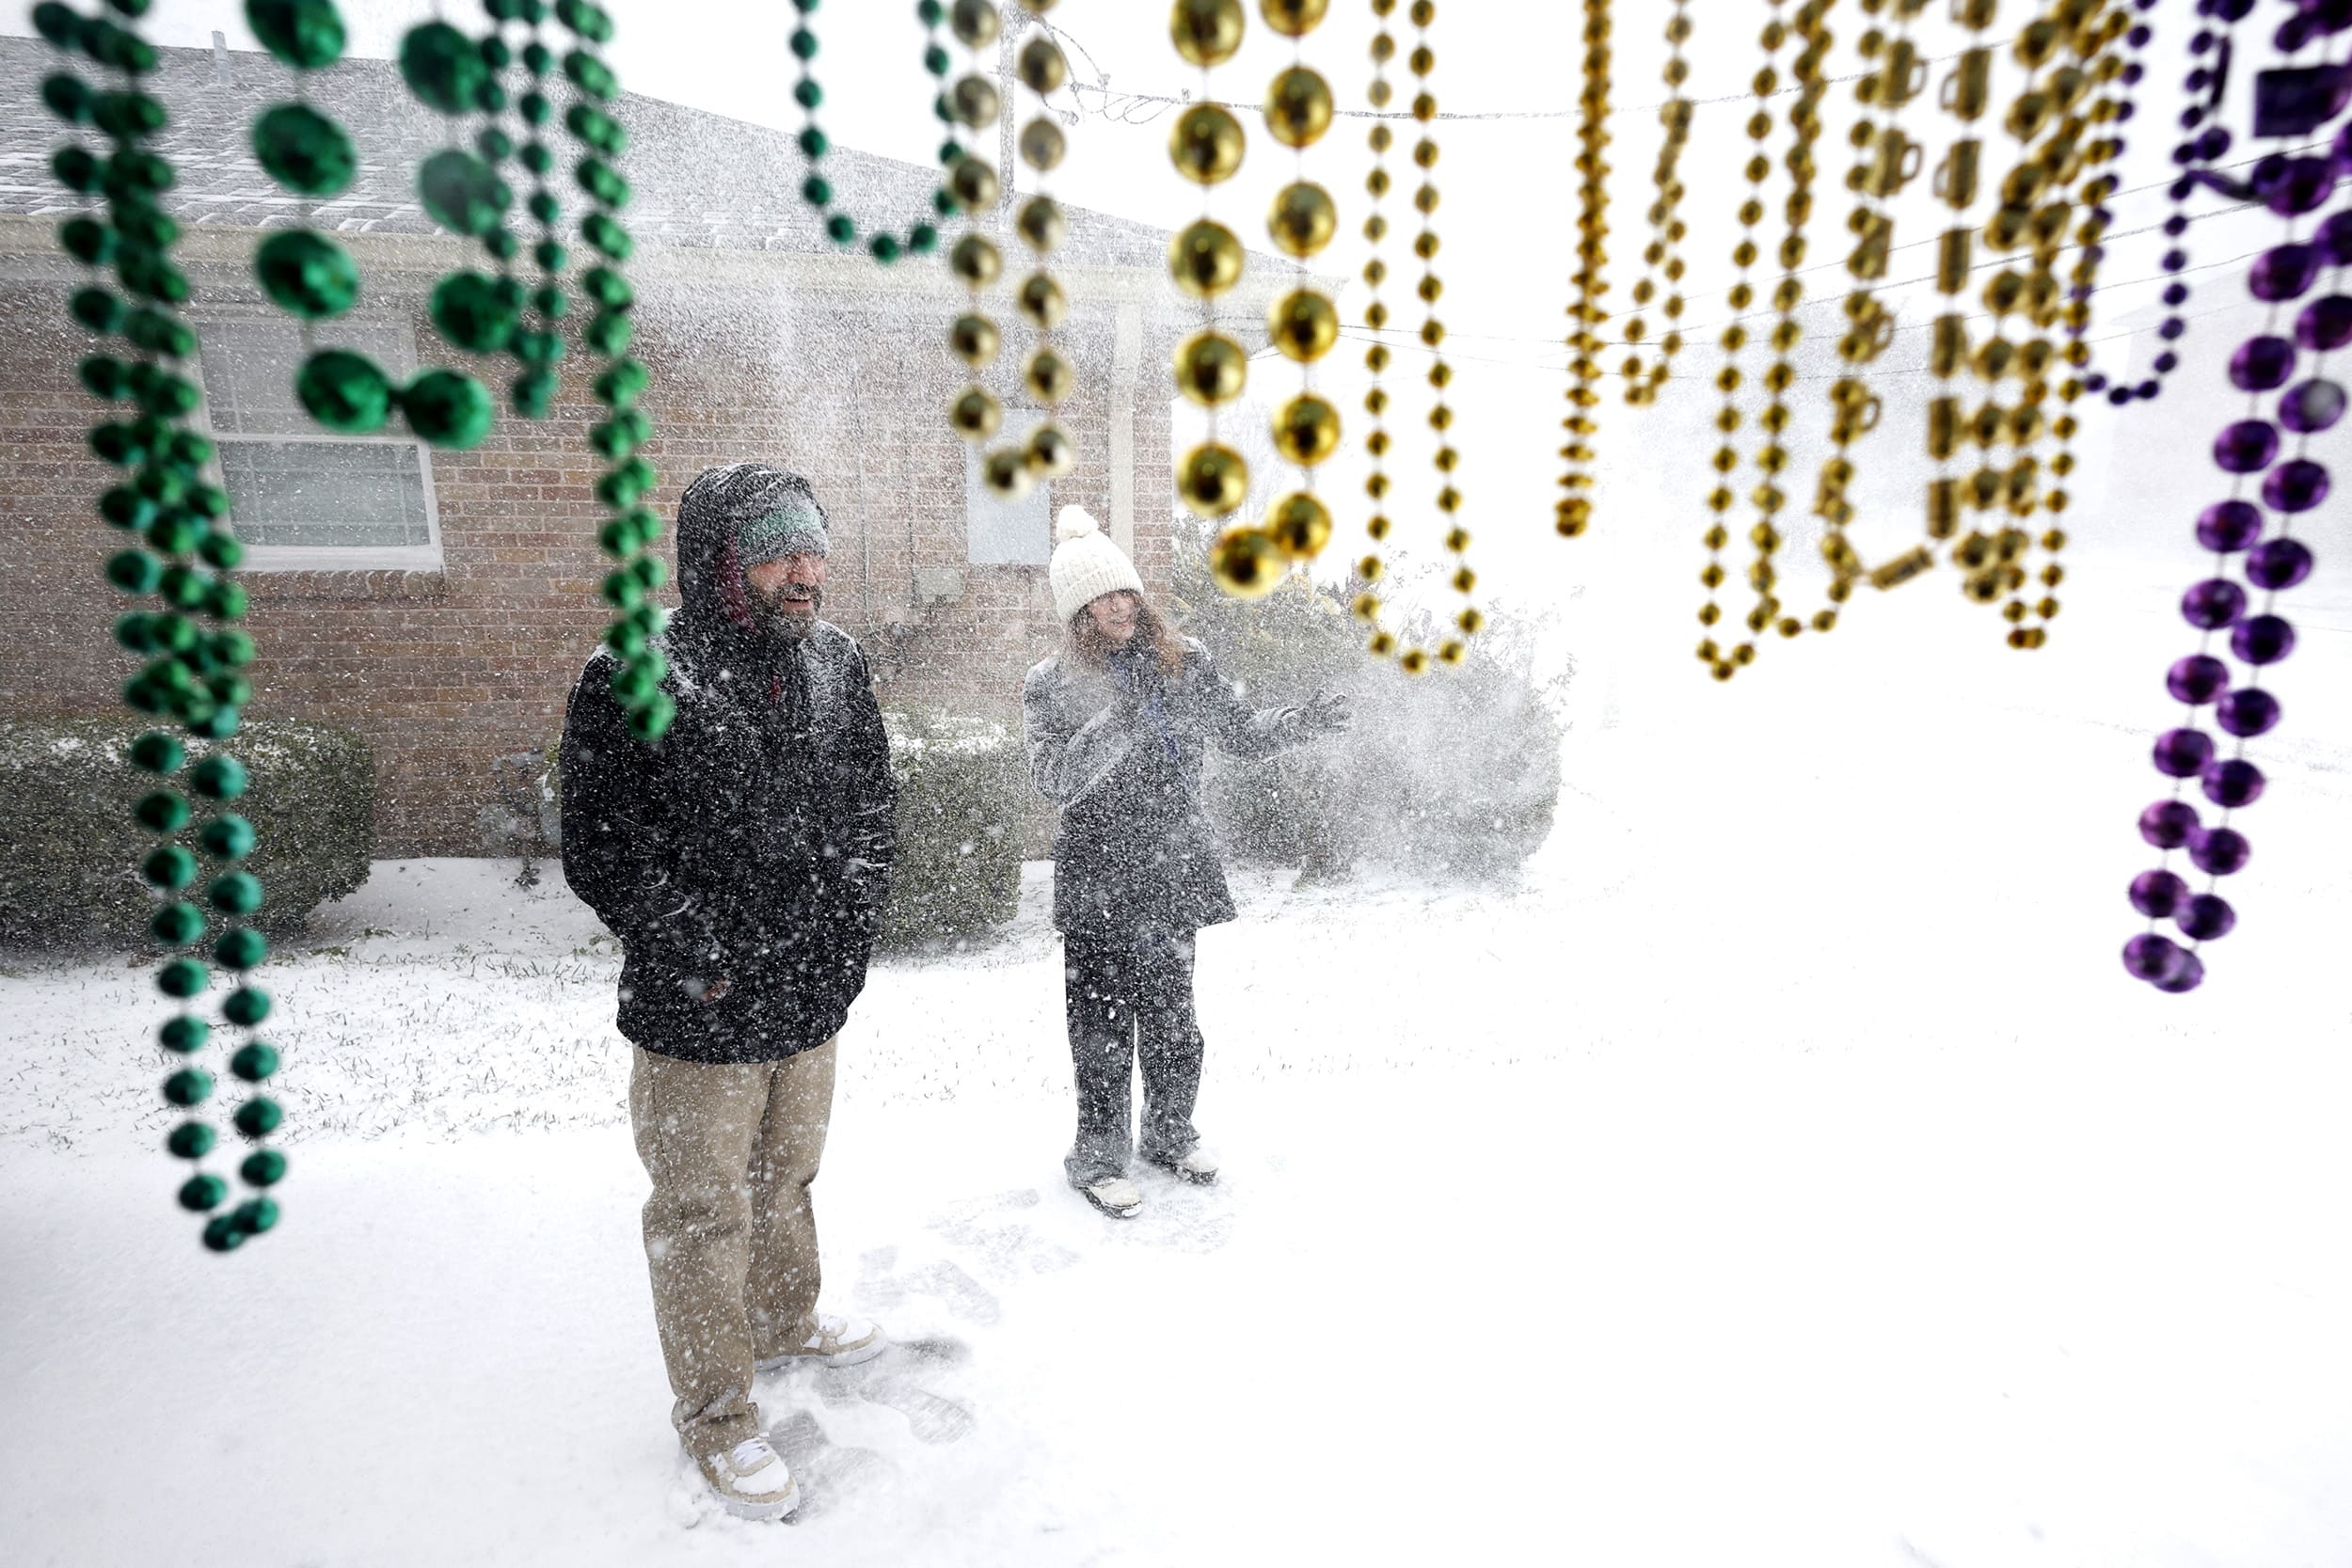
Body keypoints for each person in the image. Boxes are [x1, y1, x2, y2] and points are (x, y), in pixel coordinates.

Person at [559, 463, 897, 1522]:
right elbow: (599, 845)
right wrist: (694, 952)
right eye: (780, 548)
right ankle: (715, 1415)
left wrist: (848, 935)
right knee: (703, 1209)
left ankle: (788, 1320)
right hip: (695, 1009)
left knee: (788, 1176)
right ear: (721, 559)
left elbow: (871, 813)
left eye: (815, 545)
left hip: (808, 993)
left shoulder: (836, 664)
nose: (808, 569)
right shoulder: (632, 671)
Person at [1022, 506, 1351, 1217]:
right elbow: (1054, 779)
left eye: (1127, 590)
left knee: (1174, 1019)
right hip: (1099, 876)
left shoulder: (1184, 661)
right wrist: (1119, 717)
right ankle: (1099, 1156)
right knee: (1102, 1028)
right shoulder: (1048, 684)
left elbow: (1240, 732)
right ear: (1078, 611)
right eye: (1103, 596)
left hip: (1171, 864)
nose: (1121, 604)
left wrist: (1301, 722)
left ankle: (1169, 1130)